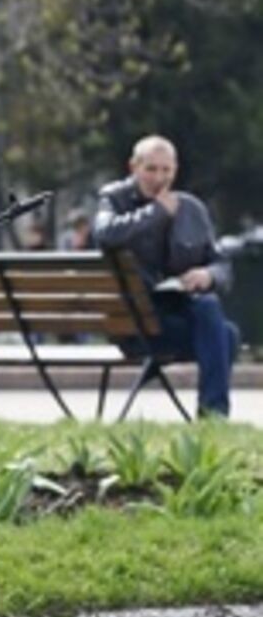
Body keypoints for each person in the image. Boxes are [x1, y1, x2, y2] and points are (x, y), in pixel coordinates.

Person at [95, 135, 239, 417]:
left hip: (176, 314)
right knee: (227, 336)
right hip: (136, 324)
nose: (159, 178)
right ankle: (214, 414)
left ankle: (213, 414)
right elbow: (106, 235)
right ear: (133, 167)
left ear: (175, 170)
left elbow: (220, 263)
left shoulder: (191, 208)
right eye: (151, 169)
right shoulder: (114, 199)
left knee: (213, 312)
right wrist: (157, 212)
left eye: (166, 170)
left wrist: (208, 275)